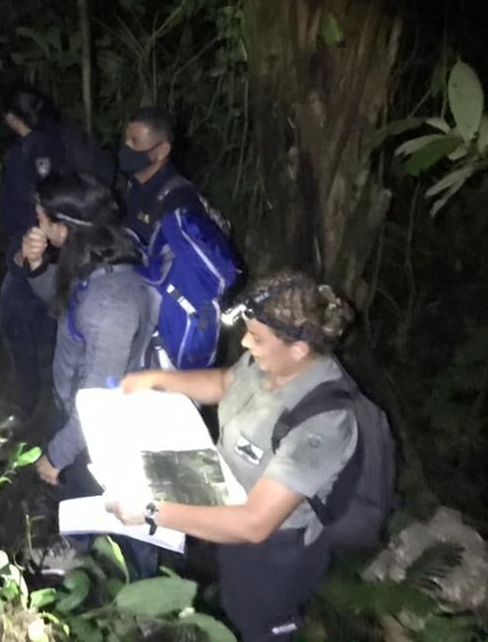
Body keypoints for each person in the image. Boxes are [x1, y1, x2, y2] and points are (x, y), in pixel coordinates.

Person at [110, 271, 358, 642]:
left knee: (253, 626)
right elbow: (226, 383)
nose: (245, 342)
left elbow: (254, 524)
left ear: (299, 349)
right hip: (220, 495)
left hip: (271, 556)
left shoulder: (322, 423)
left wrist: (150, 512)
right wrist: (157, 379)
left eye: (256, 338)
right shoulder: (269, 363)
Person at [18, 173, 154, 493]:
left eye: (41, 218)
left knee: (105, 506)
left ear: (62, 228)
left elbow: (100, 399)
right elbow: (69, 303)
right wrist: (36, 262)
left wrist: (57, 455)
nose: (36, 223)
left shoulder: (110, 304)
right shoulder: (102, 251)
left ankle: (94, 543)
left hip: (99, 428)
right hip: (74, 404)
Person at [0, 84, 66, 424]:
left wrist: (25, 250)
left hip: (32, 249)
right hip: (47, 248)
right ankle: (45, 395)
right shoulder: (55, 141)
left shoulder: (33, 150)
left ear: (12, 116)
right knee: (43, 320)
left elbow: (31, 206)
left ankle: (28, 399)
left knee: (15, 319)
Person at [117, 107, 204, 248]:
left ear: (162, 151)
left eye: (135, 142)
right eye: (126, 141)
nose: (126, 148)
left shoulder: (177, 201)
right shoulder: (126, 184)